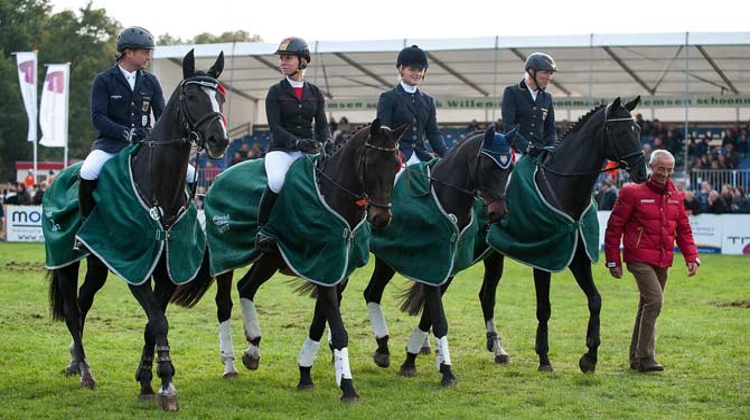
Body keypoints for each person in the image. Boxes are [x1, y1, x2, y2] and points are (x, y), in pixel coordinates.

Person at [604, 150, 700, 372]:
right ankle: (646, 357)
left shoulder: (675, 195)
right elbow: (614, 227)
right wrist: (612, 261)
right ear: (651, 166)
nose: (664, 174)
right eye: (661, 168)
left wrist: (691, 256)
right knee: (655, 302)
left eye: (669, 170)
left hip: (663, 259)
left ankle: (635, 359)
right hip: (638, 258)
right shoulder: (632, 192)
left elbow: (683, 229)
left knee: (646, 305)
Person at [78, 26, 170, 223]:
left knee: (188, 173)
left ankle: (179, 222)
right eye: (145, 52)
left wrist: (156, 135)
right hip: (110, 145)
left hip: (145, 146)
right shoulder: (103, 80)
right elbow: (98, 118)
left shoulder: (151, 81)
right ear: (129, 52)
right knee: (88, 171)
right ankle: (86, 225)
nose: (149, 57)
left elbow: (162, 115)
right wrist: (126, 133)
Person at [256, 36, 331, 250]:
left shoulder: (315, 93)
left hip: (307, 149)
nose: (283, 62)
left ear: (302, 61)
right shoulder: (275, 92)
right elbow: (275, 128)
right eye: (281, 59)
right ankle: (262, 229)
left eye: (288, 58)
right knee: (278, 181)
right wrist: (297, 143)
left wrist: (327, 143)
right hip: (281, 150)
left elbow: (323, 125)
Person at [377, 45, 448, 169]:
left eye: (420, 70)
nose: (417, 74)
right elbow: (384, 132)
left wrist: (448, 157)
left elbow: (433, 133)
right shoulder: (388, 98)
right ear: (401, 69)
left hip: (422, 157)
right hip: (397, 158)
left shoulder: (428, 101)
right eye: (412, 70)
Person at [501, 52, 558, 155]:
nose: (549, 77)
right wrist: (526, 147)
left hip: (539, 152)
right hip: (515, 151)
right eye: (545, 72)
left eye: (551, 73)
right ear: (531, 71)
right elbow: (508, 126)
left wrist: (552, 147)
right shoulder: (512, 92)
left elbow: (550, 130)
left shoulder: (547, 98)